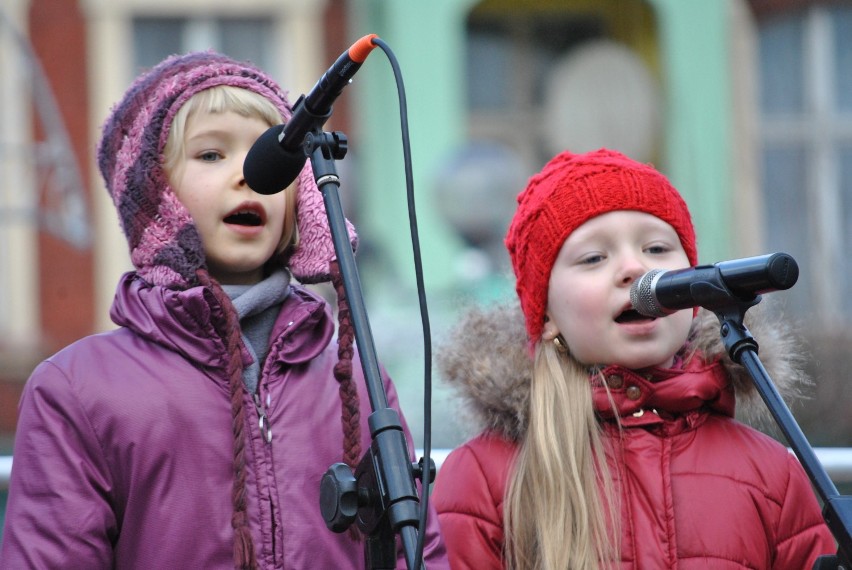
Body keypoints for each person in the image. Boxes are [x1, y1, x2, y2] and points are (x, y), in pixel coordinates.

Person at [0, 51, 448, 569]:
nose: (247, 176)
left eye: (269, 156)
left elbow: (420, 551)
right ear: (155, 194)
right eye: (211, 154)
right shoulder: (78, 389)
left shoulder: (353, 373)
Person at [431, 148, 835, 569]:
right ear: (547, 315)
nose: (634, 268)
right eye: (594, 258)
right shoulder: (482, 477)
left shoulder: (773, 475)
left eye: (658, 248)